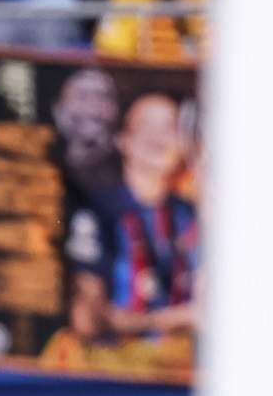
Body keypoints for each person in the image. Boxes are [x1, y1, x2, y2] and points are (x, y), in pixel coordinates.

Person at [62, 90, 198, 351]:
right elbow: (87, 320)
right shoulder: (97, 209)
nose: (157, 136)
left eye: (169, 126)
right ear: (122, 139)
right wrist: (174, 319)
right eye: (144, 125)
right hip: (114, 375)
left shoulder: (192, 217)